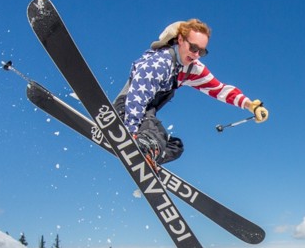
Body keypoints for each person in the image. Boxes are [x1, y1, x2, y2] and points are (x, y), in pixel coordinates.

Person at [113, 19, 268, 165]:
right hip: (128, 110)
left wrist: (250, 105)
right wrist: (129, 133)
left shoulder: (192, 69)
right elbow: (137, 96)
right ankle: (146, 147)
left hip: (145, 116)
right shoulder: (160, 62)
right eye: (193, 48)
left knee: (175, 147)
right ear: (180, 40)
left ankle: (150, 155)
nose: (196, 55)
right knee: (154, 137)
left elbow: (219, 90)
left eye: (201, 52)